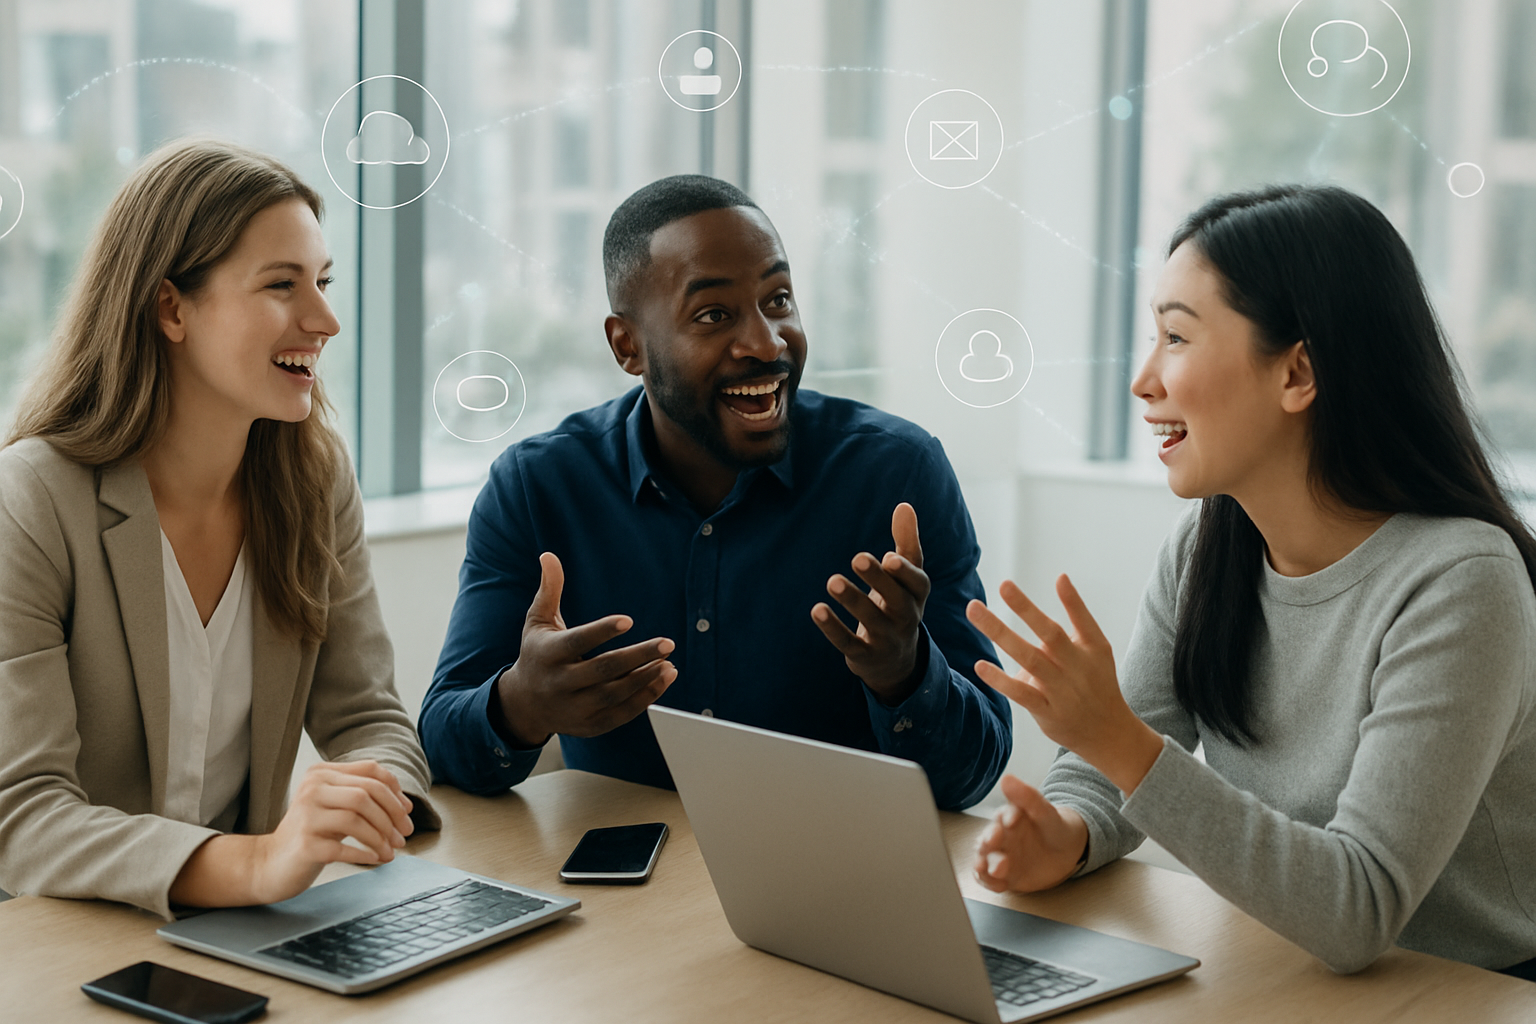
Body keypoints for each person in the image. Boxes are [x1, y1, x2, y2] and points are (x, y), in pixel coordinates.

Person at [966, 183, 1536, 976]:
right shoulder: (1208, 544)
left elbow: (1359, 908)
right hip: (1286, 968)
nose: (1143, 381)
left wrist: (1118, 740)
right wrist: (1065, 833)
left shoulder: (1461, 583)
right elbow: (1118, 762)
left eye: (1175, 337)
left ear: (1298, 372)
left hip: (1474, 993)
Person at [419, 175, 1011, 810]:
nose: (766, 342)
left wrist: (906, 674)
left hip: (839, 883)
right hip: (627, 894)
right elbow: (444, 739)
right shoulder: (537, 487)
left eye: (778, 299)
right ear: (628, 346)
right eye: (713, 315)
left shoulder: (898, 474)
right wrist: (520, 705)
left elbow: (973, 776)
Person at [0, 139, 437, 920]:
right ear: (171, 307)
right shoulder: (30, 500)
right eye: (282, 285)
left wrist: (366, 798)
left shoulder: (314, 483)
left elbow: (369, 720)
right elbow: (24, 816)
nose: (326, 319)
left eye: (324, 283)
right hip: (61, 938)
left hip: (240, 931)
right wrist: (261, 861)